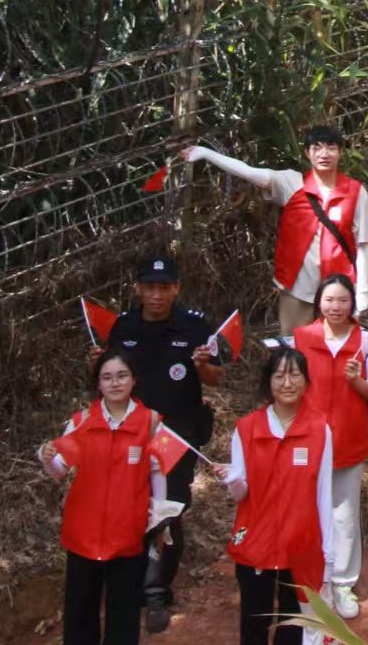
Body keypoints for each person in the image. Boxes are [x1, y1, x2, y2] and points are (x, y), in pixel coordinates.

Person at [101, 257, 222, 631]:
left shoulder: (195, 325)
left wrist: (202, 366)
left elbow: (215, 377)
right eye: (150, 287)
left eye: (164, 287)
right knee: (129, 506)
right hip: (131, 435)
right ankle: (129, 583)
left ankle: (156, 593)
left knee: (167, 509)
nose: (157, 295)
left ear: (176, 288)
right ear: (138, 288)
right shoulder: (123, 326)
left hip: (177, 434)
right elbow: (108, 379)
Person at [183, 127, 368, 334]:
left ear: (340, 152)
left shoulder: (356, 192)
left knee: (336, 346)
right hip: (297, 288)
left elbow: (363, 244)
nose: (324, 154)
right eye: (317, 148)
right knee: (295, 346)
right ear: (307, 153)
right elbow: (247, 171)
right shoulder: (291, 182)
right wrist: (206, 154)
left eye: (331, 148)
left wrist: (362, 292)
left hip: (338, 288)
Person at [38, 348, 168, 645]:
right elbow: (59, 469)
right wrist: (46, 458)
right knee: (79, 614)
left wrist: (160, 518)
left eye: (122, 376)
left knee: (123, 614)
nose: (115, 383)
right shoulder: (82, 421)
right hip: (83, 534)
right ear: (98, 383)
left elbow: (159, 471)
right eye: (107, 377)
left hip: (128, 533)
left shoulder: (152, 423)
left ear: (134, 379)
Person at [216, 345, 335, 645]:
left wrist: (328, 554)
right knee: (254, 623)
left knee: (293, 626)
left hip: (301, 546)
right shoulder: (246, 429)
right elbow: (240, 495)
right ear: (268, 381)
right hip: (256, 543)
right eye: (279, 376)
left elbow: (323, 494)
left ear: (306, 381)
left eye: (294, 375)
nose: (287, 383)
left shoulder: (320, 429)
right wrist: (233, 480)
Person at [291, 275, 368, 620]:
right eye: (329, 300)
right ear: (319, 301)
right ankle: (310, 580)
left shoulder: (366, 341)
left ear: (352, 304)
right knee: (305, 512)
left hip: (348, 439)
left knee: (344, 517)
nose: (335, 307)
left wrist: (355, 380)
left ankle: (343, 583)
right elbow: (286, 386)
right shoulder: (302, 338)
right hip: (306, 442)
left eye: (343, 300)